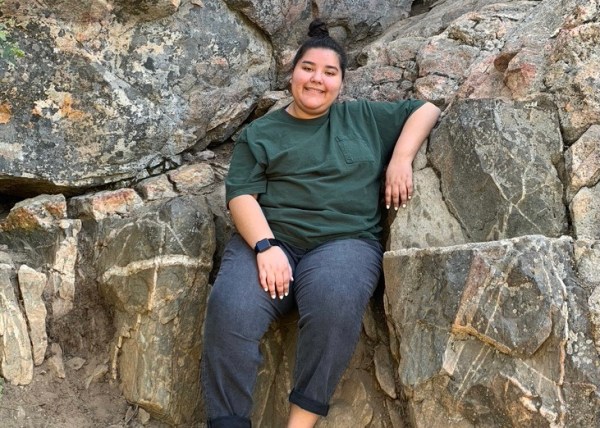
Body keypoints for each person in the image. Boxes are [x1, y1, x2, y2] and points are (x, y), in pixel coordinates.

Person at [201, 18, 441, 428]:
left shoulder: (362, 118)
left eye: (329, 72)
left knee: (335, 302)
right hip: (272, 239)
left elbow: (426, 109)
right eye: (308, 68)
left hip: (345, 243)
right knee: (231, 310)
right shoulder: (261, 133)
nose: (317, 79)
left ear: (341, 83)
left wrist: (400, 159)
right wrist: (265, 247)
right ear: (292, 74)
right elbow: (241, 195)